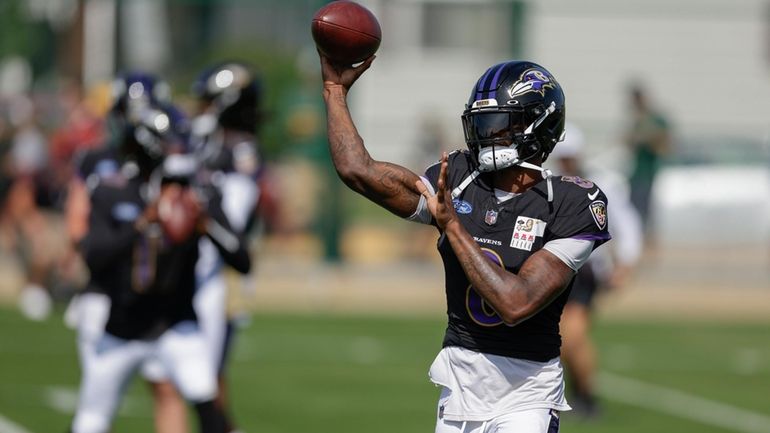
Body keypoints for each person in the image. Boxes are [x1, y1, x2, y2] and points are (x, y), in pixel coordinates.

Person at [318, 53, 611, 433]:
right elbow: (358, 171)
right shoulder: (460, 178)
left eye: (500, 125)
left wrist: (453, 227)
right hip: (459, 388)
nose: (487, 135)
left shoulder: (569, 202)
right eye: (482, 124)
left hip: (526, 396)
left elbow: (516, 303)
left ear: (538, 126)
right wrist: (335, 90)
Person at [68, 96, 251, 433]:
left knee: (208, 403)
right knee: (90, 421)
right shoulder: (114, 191)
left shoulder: (200, 194)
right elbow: (94, 258)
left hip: (176, 324)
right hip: (122, 327)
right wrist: (142, 223)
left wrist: (206, 224)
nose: (179, 150)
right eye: (172, 142)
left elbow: (242, 261)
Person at [140, 61, 264, 433]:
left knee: (205, 381)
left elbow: (233, 220)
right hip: (194, 269)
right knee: (187, 381)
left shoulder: (239, 150)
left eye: (210, 102)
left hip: (215, 275)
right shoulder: (210, 144)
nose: (202, 109)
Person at [548, 123, 643, 419]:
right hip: (553, 268)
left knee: (570, 336)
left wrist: (624, 266)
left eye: (569, 156)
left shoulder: (599, 185)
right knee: (561, 338)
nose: (565, 161)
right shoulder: (549, 183)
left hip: (585, 271)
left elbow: (627, 225)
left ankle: (585, 397)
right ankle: (580, 396)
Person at [624, 83, 671, 234]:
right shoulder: (637, 120)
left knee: (645, 210)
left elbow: (663, 144)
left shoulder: (654, 120)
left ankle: (647, 238)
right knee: (635, 208)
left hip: (648, 172)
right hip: (636, 172)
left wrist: (643, 138)